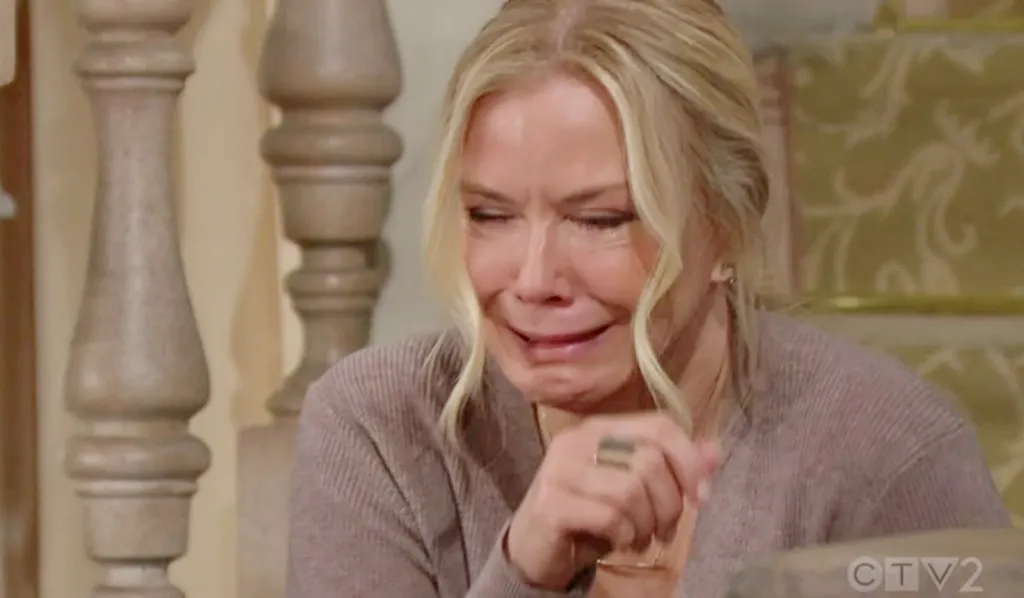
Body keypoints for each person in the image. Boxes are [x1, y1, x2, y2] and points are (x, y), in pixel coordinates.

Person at [285, 1, 1011, 597]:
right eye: (490, 214)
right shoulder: (380, 428)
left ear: (726, 226)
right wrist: (524, 571)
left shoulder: (886, 450)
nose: (533, 280)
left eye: (601, 219)